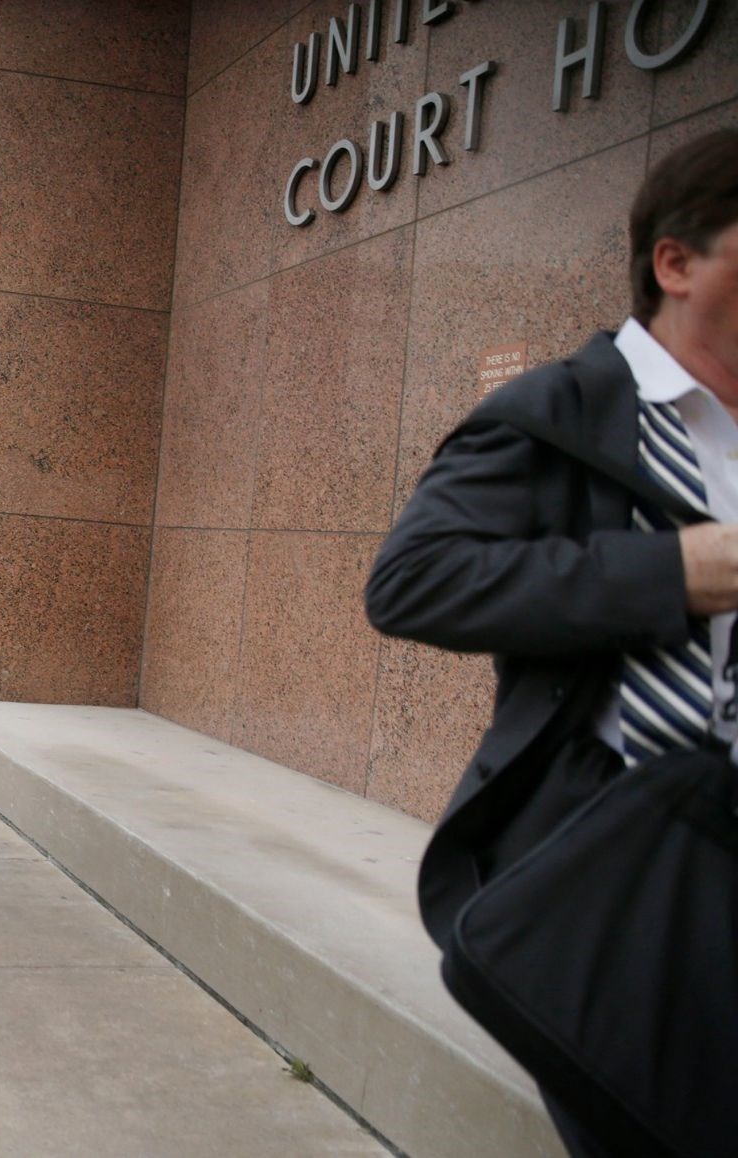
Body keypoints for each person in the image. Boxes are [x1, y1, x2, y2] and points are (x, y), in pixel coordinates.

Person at [365, 129, 738, 1155]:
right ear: (676, 263)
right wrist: (669, 574)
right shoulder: (562, 409)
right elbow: (411, 581)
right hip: (617, 865)